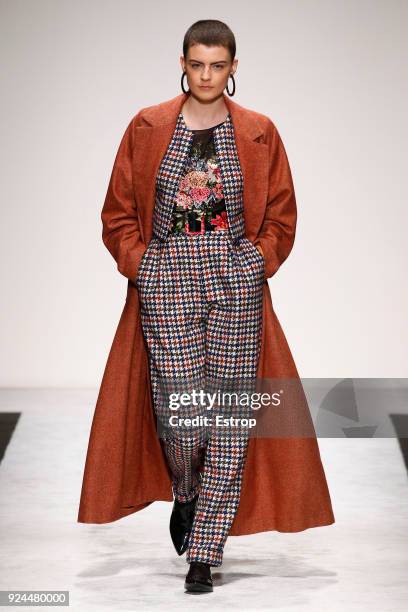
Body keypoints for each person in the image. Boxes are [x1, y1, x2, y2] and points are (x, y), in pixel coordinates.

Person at [78, 18, 335, 596]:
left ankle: (206, 548)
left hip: (234, 281)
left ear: (234, 69)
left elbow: (283, 217)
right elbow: (117, 211)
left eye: (218, 66)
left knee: (228, 415)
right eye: (197, 64)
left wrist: (255, 262)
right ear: (182, 63)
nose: (207, 75)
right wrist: (145, 264)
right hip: (167, 276)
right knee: (180, 413)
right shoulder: (146, 127)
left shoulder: (260, 132)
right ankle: (187, 493)